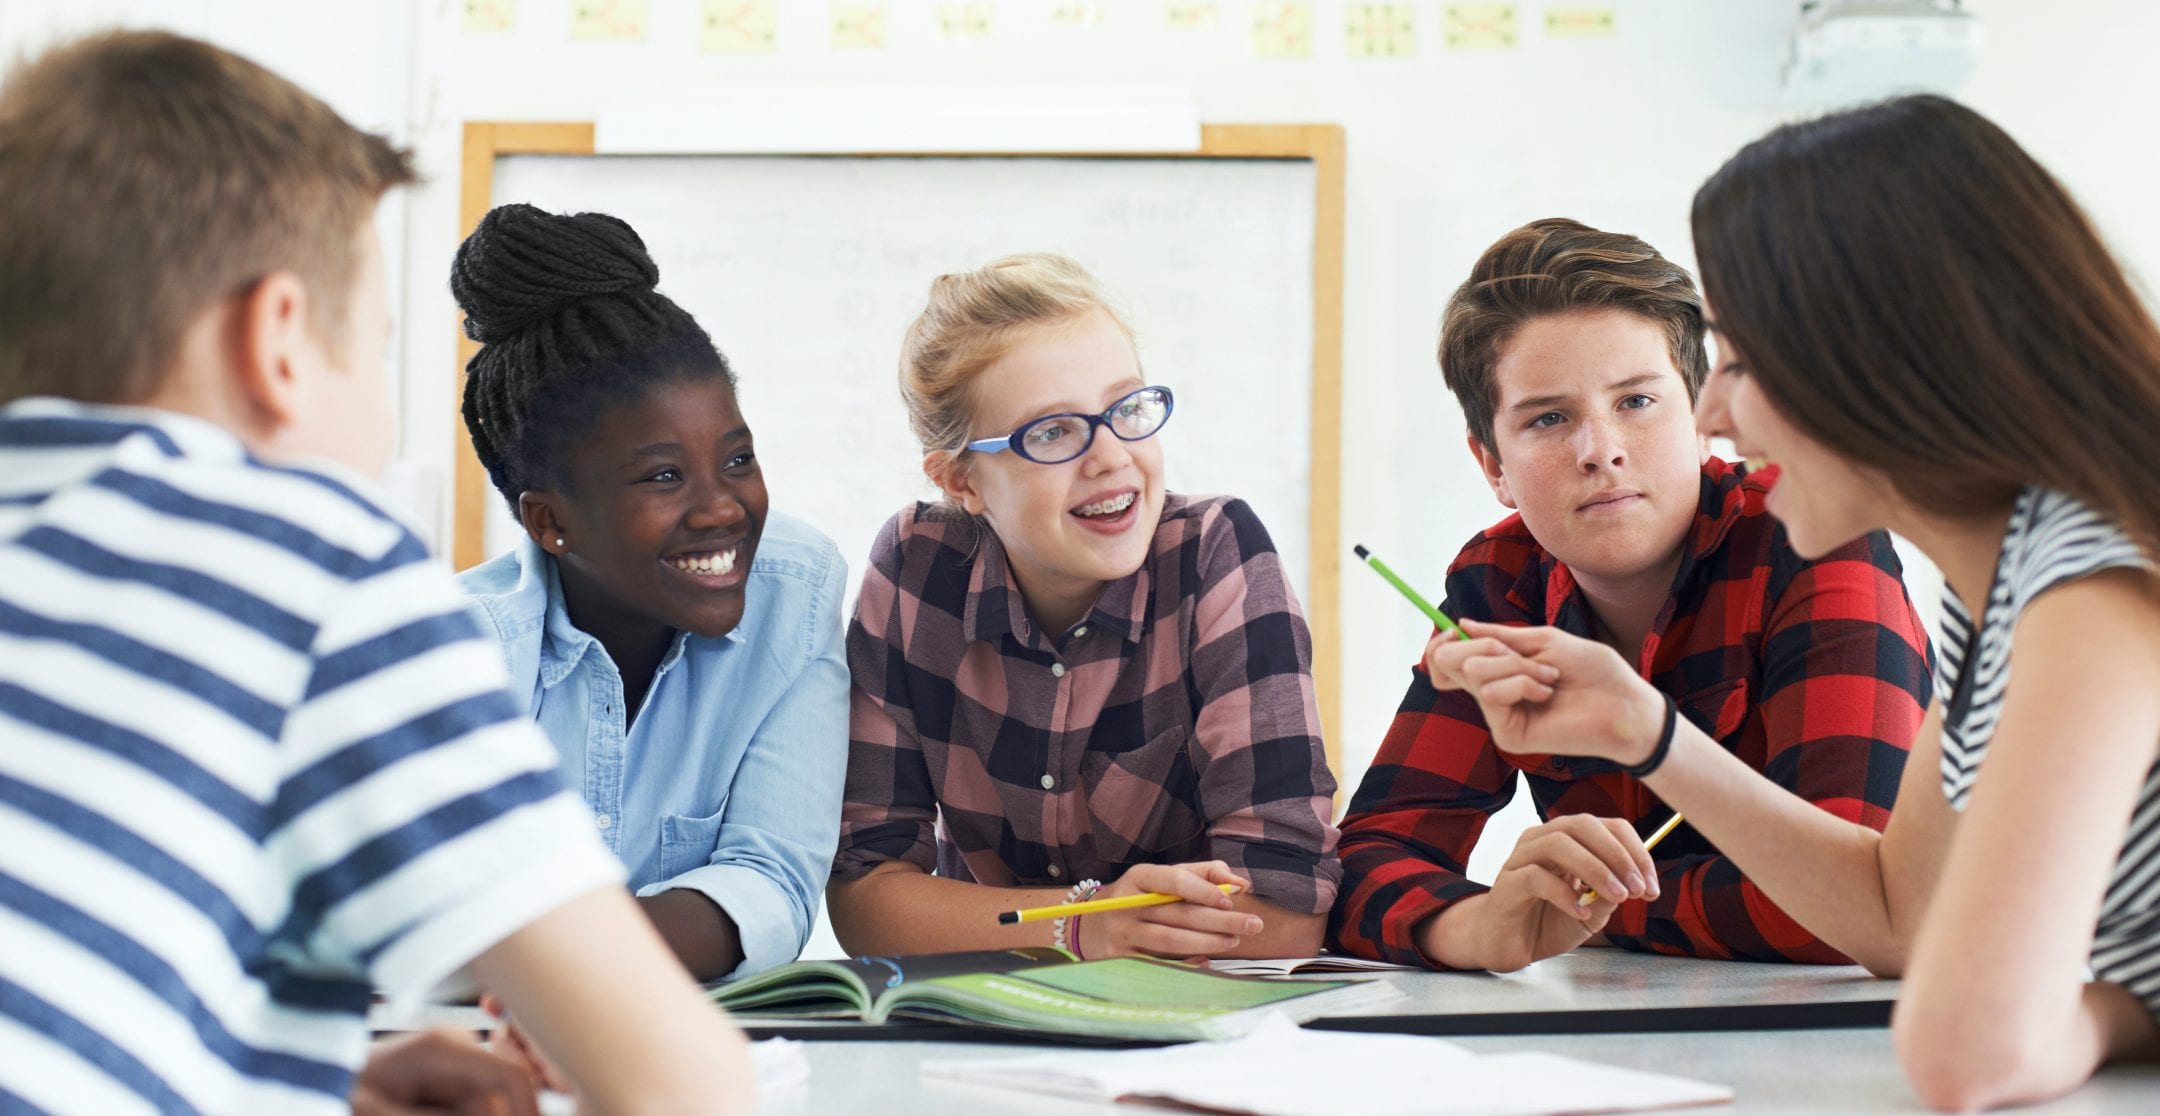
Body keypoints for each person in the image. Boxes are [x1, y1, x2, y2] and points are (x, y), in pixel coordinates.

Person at [0, 31, 746, 1114]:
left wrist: (320, 1085)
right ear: (281, 341)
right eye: (382, 342)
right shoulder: (305, 560)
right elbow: (682, 1081)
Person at [1427, 95, 2160, 1109]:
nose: (1714, 413)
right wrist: (1647, 733)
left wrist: (2129, 1005)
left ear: (1870, 361)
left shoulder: (2091, 586)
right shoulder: (2001, 586)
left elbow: (1972, 1047)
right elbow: (1899, 915)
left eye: (1737, 359)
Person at [1330, 218, 1933, 973]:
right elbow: (1363, 863)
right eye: (1548, 419)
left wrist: (1592, 910)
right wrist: (1486, 927)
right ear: (1492, 464)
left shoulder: (1809, 532)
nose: (1601, 450)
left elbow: (1852, 905)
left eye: (1637, 402)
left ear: (1703, 416)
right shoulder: (1497, 581)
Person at [827, 253, 1340, 960]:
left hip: (1200, 1022)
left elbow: (1282, 910)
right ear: (962, 482)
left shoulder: (1216, 551)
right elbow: (866, 899)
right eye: (1052, 433)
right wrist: (1082, 922)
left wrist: (1055, 926)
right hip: (986, 1022)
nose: (1110, 457)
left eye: (1126, 409)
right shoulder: (916, 567)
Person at [454, 203, 849, 983]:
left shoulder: (795, 590)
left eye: (737, 460)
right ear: (551, 520)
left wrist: (565, 955)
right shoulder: (461, 652)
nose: (722, 509)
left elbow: (771, 880)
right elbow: (436, 925)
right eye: (664, 476)